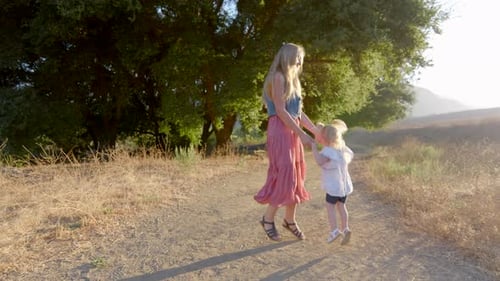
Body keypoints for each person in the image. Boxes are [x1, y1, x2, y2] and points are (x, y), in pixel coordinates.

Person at [254, 43, 320, 241]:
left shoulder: (294, 81)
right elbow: (281, 111)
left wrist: (315, 130)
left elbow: (298, 113)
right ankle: (267, 219)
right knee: (286, 176)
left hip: (291, 130)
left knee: (296, 175)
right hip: (281, 132)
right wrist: (301, 134)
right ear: (287, 57)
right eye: (297, 56)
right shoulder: (278, 77)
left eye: (301, 57)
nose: (300, 61)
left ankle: (289, 220)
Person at [311, 119, 354, 245]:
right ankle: (345, 228)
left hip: (334, 187)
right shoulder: (342, 150)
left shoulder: (328, 152)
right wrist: (319, 129)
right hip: (343, 187)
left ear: (324, 139)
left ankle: (334, 230)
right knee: (341, 206)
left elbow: (319, 161)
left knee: (330, 207)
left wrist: (314, 149)